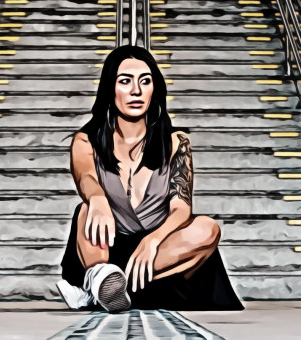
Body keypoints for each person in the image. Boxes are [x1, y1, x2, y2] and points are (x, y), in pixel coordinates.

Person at [56, 45, 245, 312]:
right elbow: (85, 175)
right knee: (85, 210)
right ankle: (100, 276)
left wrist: (152, 240)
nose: (136, 90)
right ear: (110, 88)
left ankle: (102, 288)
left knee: (207, 228)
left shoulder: (177, 141)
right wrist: (97, 198)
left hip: (162, 255)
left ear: (154, 89)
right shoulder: (86, 140)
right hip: (107, 247)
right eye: (125, 81)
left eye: (145, 81)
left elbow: (182, 209)